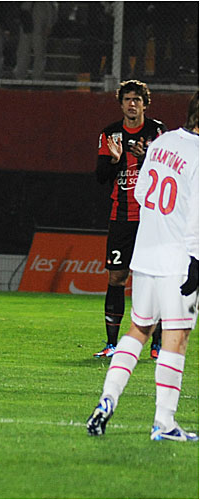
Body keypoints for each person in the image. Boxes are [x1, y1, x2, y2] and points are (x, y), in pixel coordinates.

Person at [86, 91, 199, 441]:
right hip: (178, 260)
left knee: (138, 332)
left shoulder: (162, 143)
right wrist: (196, 263)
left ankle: (107, 400)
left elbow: (139, 193)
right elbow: (196, 215)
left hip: (146, 254)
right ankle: (164, 423)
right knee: (176, 339)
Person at [94, 80, 166, 359]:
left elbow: (167, 171)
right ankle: (112, 344)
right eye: (127, 99)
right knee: (117, 277)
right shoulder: (110, 134)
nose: (132, 104)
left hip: (152, 217)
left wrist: (148, 157)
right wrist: (114, 161)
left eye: (137, 99)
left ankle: (157, 344)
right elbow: (100, 177)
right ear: (121, 103)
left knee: (155, 280)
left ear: (145, 104)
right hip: (122, 216)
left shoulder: (157, 132)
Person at [13, 1, 57, 80]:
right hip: (29, 21)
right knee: (25, 51)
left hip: (37, 21)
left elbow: (51, 7)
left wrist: (49, 24)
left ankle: (35, 76)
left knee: (37, 51)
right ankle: (22, 74)